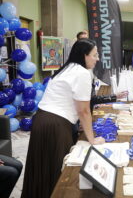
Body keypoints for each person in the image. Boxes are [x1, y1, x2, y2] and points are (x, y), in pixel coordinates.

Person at [21, 39, 105, 198]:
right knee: (58, 172)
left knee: (41, 169)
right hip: (55, 125)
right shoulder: (82, 73)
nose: (97, 58)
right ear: (84, 55)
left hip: (42, 120)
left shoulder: (67, 68)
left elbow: (72, 103)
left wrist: (78, 123)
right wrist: (92, 139)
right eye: (95, 55)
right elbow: (84, 111)